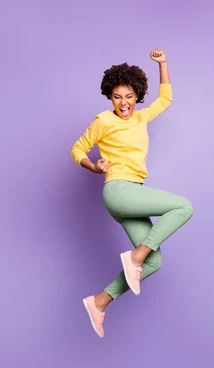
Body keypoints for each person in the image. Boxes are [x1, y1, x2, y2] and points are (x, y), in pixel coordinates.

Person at [70, 49, 194, 338]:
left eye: (128, 96)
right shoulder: (103, 120)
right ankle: (135, 256)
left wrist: (163, 63)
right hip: (118, 189)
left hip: (131, 194)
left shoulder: (140, 117)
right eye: (117, 97)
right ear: (109, 98)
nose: (123, 103)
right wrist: (93, 166)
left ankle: (100, 301)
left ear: (137, 95)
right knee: (183, 207)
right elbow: (77, 148)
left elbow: (165, 99)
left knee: (153, 262)